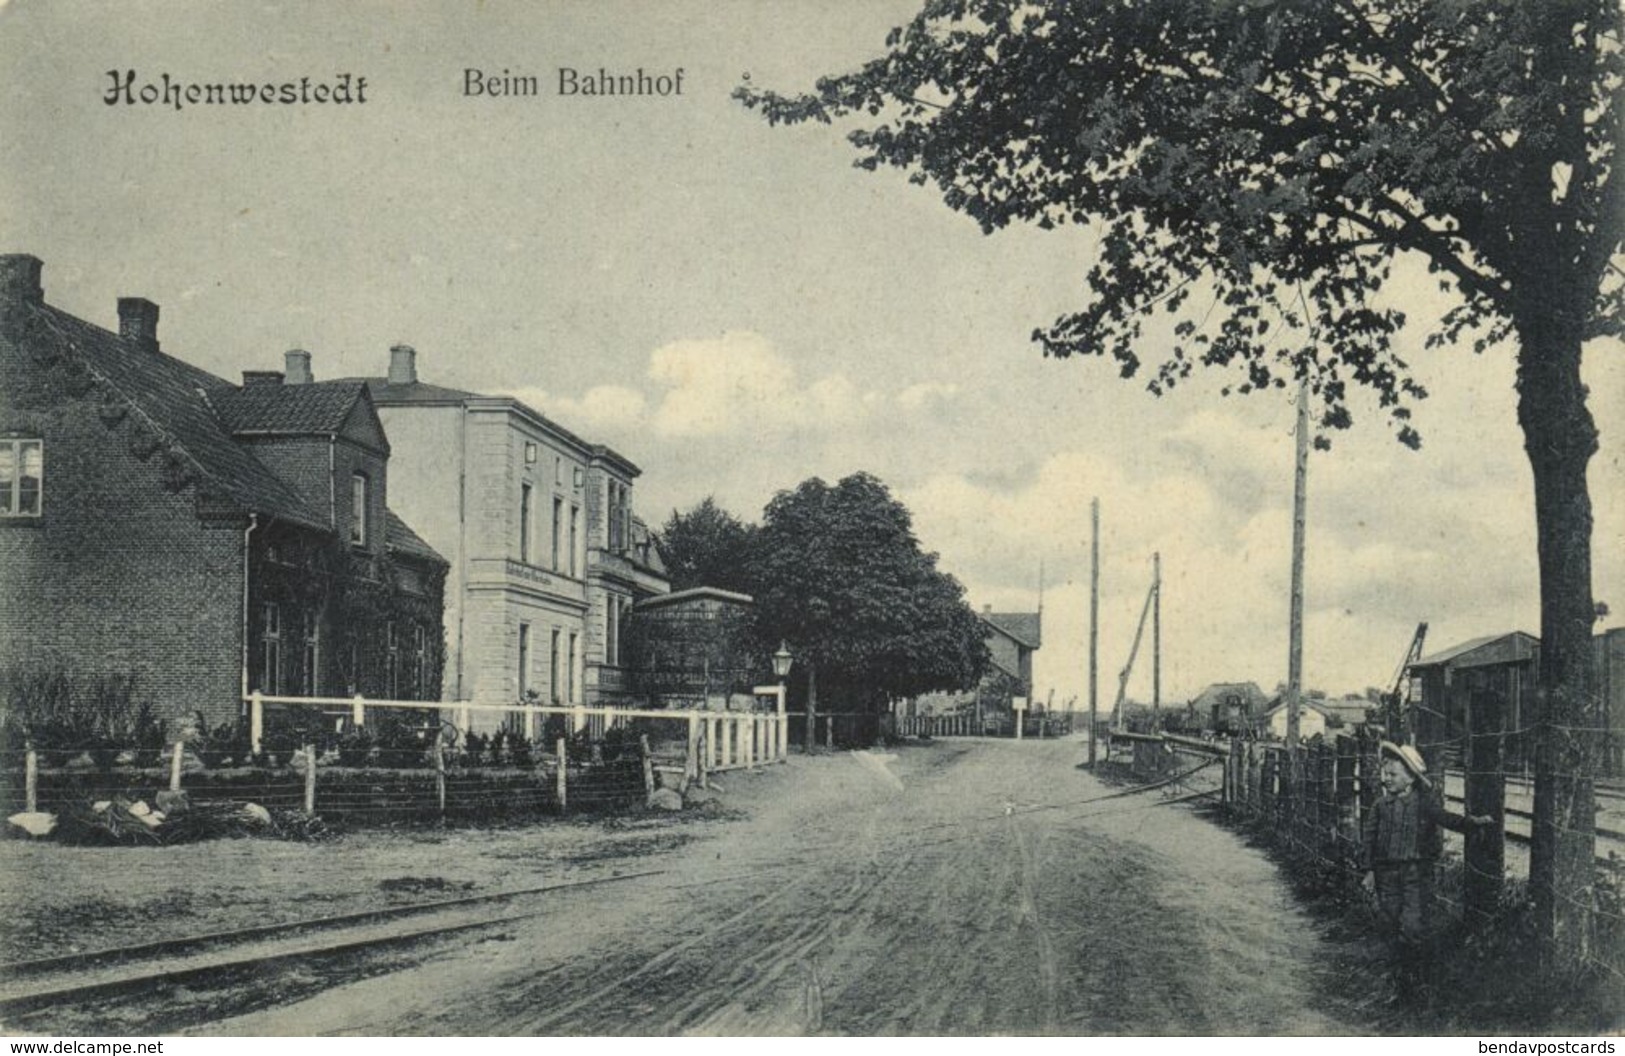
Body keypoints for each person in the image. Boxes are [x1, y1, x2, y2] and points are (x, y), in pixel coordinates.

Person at [1361, 740, 1493, 945]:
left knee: (1413, 922)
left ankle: (1413, 967)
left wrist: (1472, 823)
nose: (1387, 779)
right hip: (1386, 873)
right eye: (1385, 774)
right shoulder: (1380, 806)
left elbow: (1446, 818)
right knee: (1388, 918)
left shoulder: (1423, 804)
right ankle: (1394, 965)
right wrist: (1369, 870)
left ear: (1411, 778)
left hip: (1415, 873)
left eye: (1393, 775)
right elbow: (1369, 838)